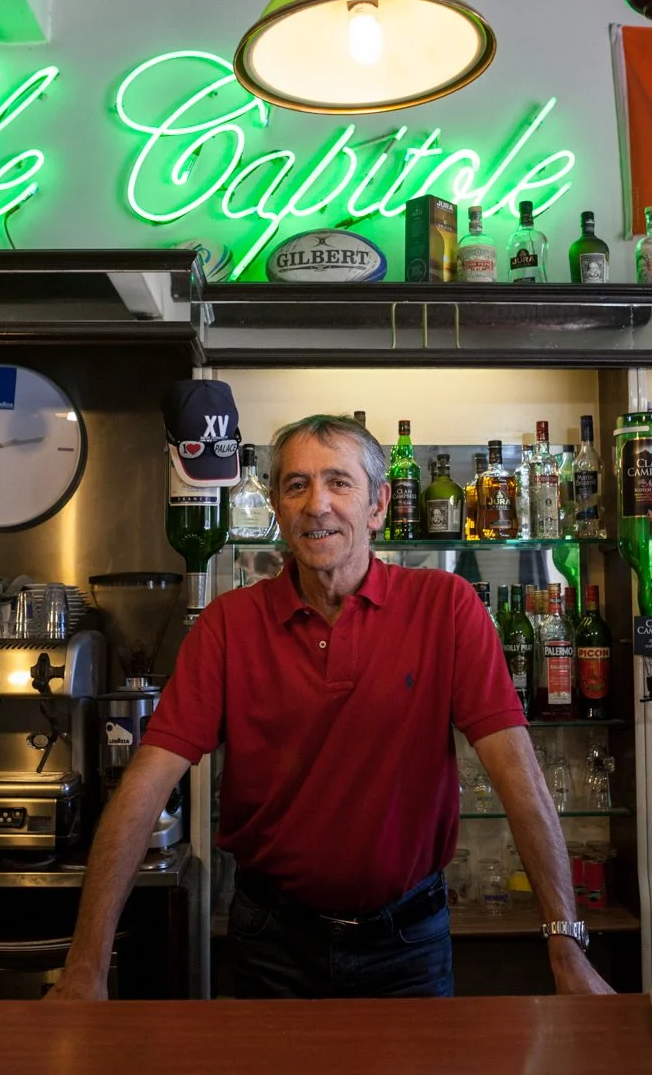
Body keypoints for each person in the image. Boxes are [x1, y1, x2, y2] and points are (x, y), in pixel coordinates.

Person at [49, 414, 613, 999]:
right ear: (277, 507)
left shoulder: (446, 607)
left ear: (378, 505)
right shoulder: (228, 624)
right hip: (272, 940)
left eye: (339, 483)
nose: (317, 504)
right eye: (297, 485)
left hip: (409, 939)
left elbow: (515, 772)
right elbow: (144, 783)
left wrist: (565, 944)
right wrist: (86, 966)